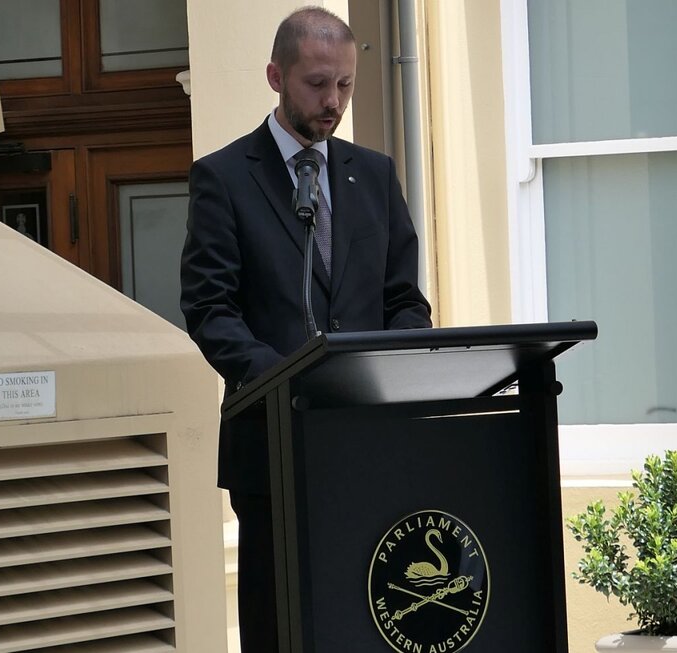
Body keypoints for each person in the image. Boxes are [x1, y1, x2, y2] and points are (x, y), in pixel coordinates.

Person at [180, 6, 432, 652]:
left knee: (367, 621)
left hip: (365, 444)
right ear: (276, 75)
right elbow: (210, 308)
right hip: (271, 451)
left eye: (344, 85)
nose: (333, 101)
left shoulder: (373, 175)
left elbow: (405, 300)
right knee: (282, 629)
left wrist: (386, 374)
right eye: (317, 84)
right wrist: (288, 382)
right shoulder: (225, 178)